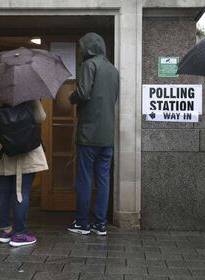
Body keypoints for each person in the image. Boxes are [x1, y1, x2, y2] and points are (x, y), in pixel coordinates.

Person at [67, 32, 119, 236]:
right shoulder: (113, 70)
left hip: (89, 133)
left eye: (82, 47)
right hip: (107, 135)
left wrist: (71, 97)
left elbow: (84, 93)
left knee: (85, 179)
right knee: (103, 179)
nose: (80, 51)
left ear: (89, 48)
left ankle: (82, 223)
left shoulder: (88, 66)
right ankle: (100, 224)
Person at [0, 100, 48, 247]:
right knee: (22, 191)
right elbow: (41, 117)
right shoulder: (29, 94)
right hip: (26, 147)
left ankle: (5, 231)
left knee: (3, 191)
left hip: (2, 149)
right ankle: (20, 234)